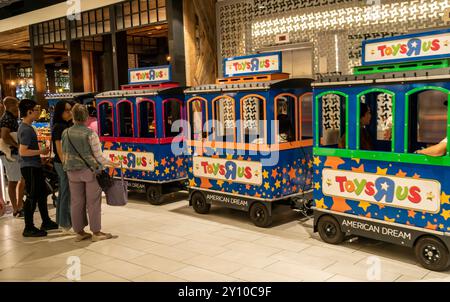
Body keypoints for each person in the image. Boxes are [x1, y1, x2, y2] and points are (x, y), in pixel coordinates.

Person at [62, 104, 119, 242]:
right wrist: (112, 163)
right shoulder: (90, 134)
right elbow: (99, 157)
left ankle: (79, 232)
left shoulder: (66, 132)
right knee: (93, 202)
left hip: (71, 171)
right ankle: (96, 232)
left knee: (76, 202)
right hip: (89, 171)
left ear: (73, 116)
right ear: (86, 116)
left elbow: (65, 153)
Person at [18, 99, 58, 237]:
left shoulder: (27, 128)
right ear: (29, 112)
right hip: (30, 167)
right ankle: (28, 227)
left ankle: (46, 221)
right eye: (36, 110)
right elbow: (23, 151)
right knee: (32, 196)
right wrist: (41, 152)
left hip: (34, 165)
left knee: (41, 194)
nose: (39, 112)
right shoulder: (26, 129)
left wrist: (40, 158)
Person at [0, 97, 25, 217]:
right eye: (16, 104)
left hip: (14, 153)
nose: (17, 106)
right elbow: (4, 136)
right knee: (13, 180)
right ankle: (16, 208)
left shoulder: (11, 117)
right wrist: (16, 145)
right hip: (10, 154)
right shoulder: (6, 119)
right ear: (11, 105)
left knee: (21, 178)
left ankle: (19, 205)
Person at [51, 100, 73, 233]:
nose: (70, 112)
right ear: (60, 112)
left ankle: (62, 221)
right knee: (65, 192)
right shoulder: (59, 127)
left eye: (70, 109)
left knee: (65, 192)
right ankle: (64, 223)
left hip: (63, 162)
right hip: (62, 162)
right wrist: (66, 165)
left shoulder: (65, 125)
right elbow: (59, 149)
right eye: (67, 110)